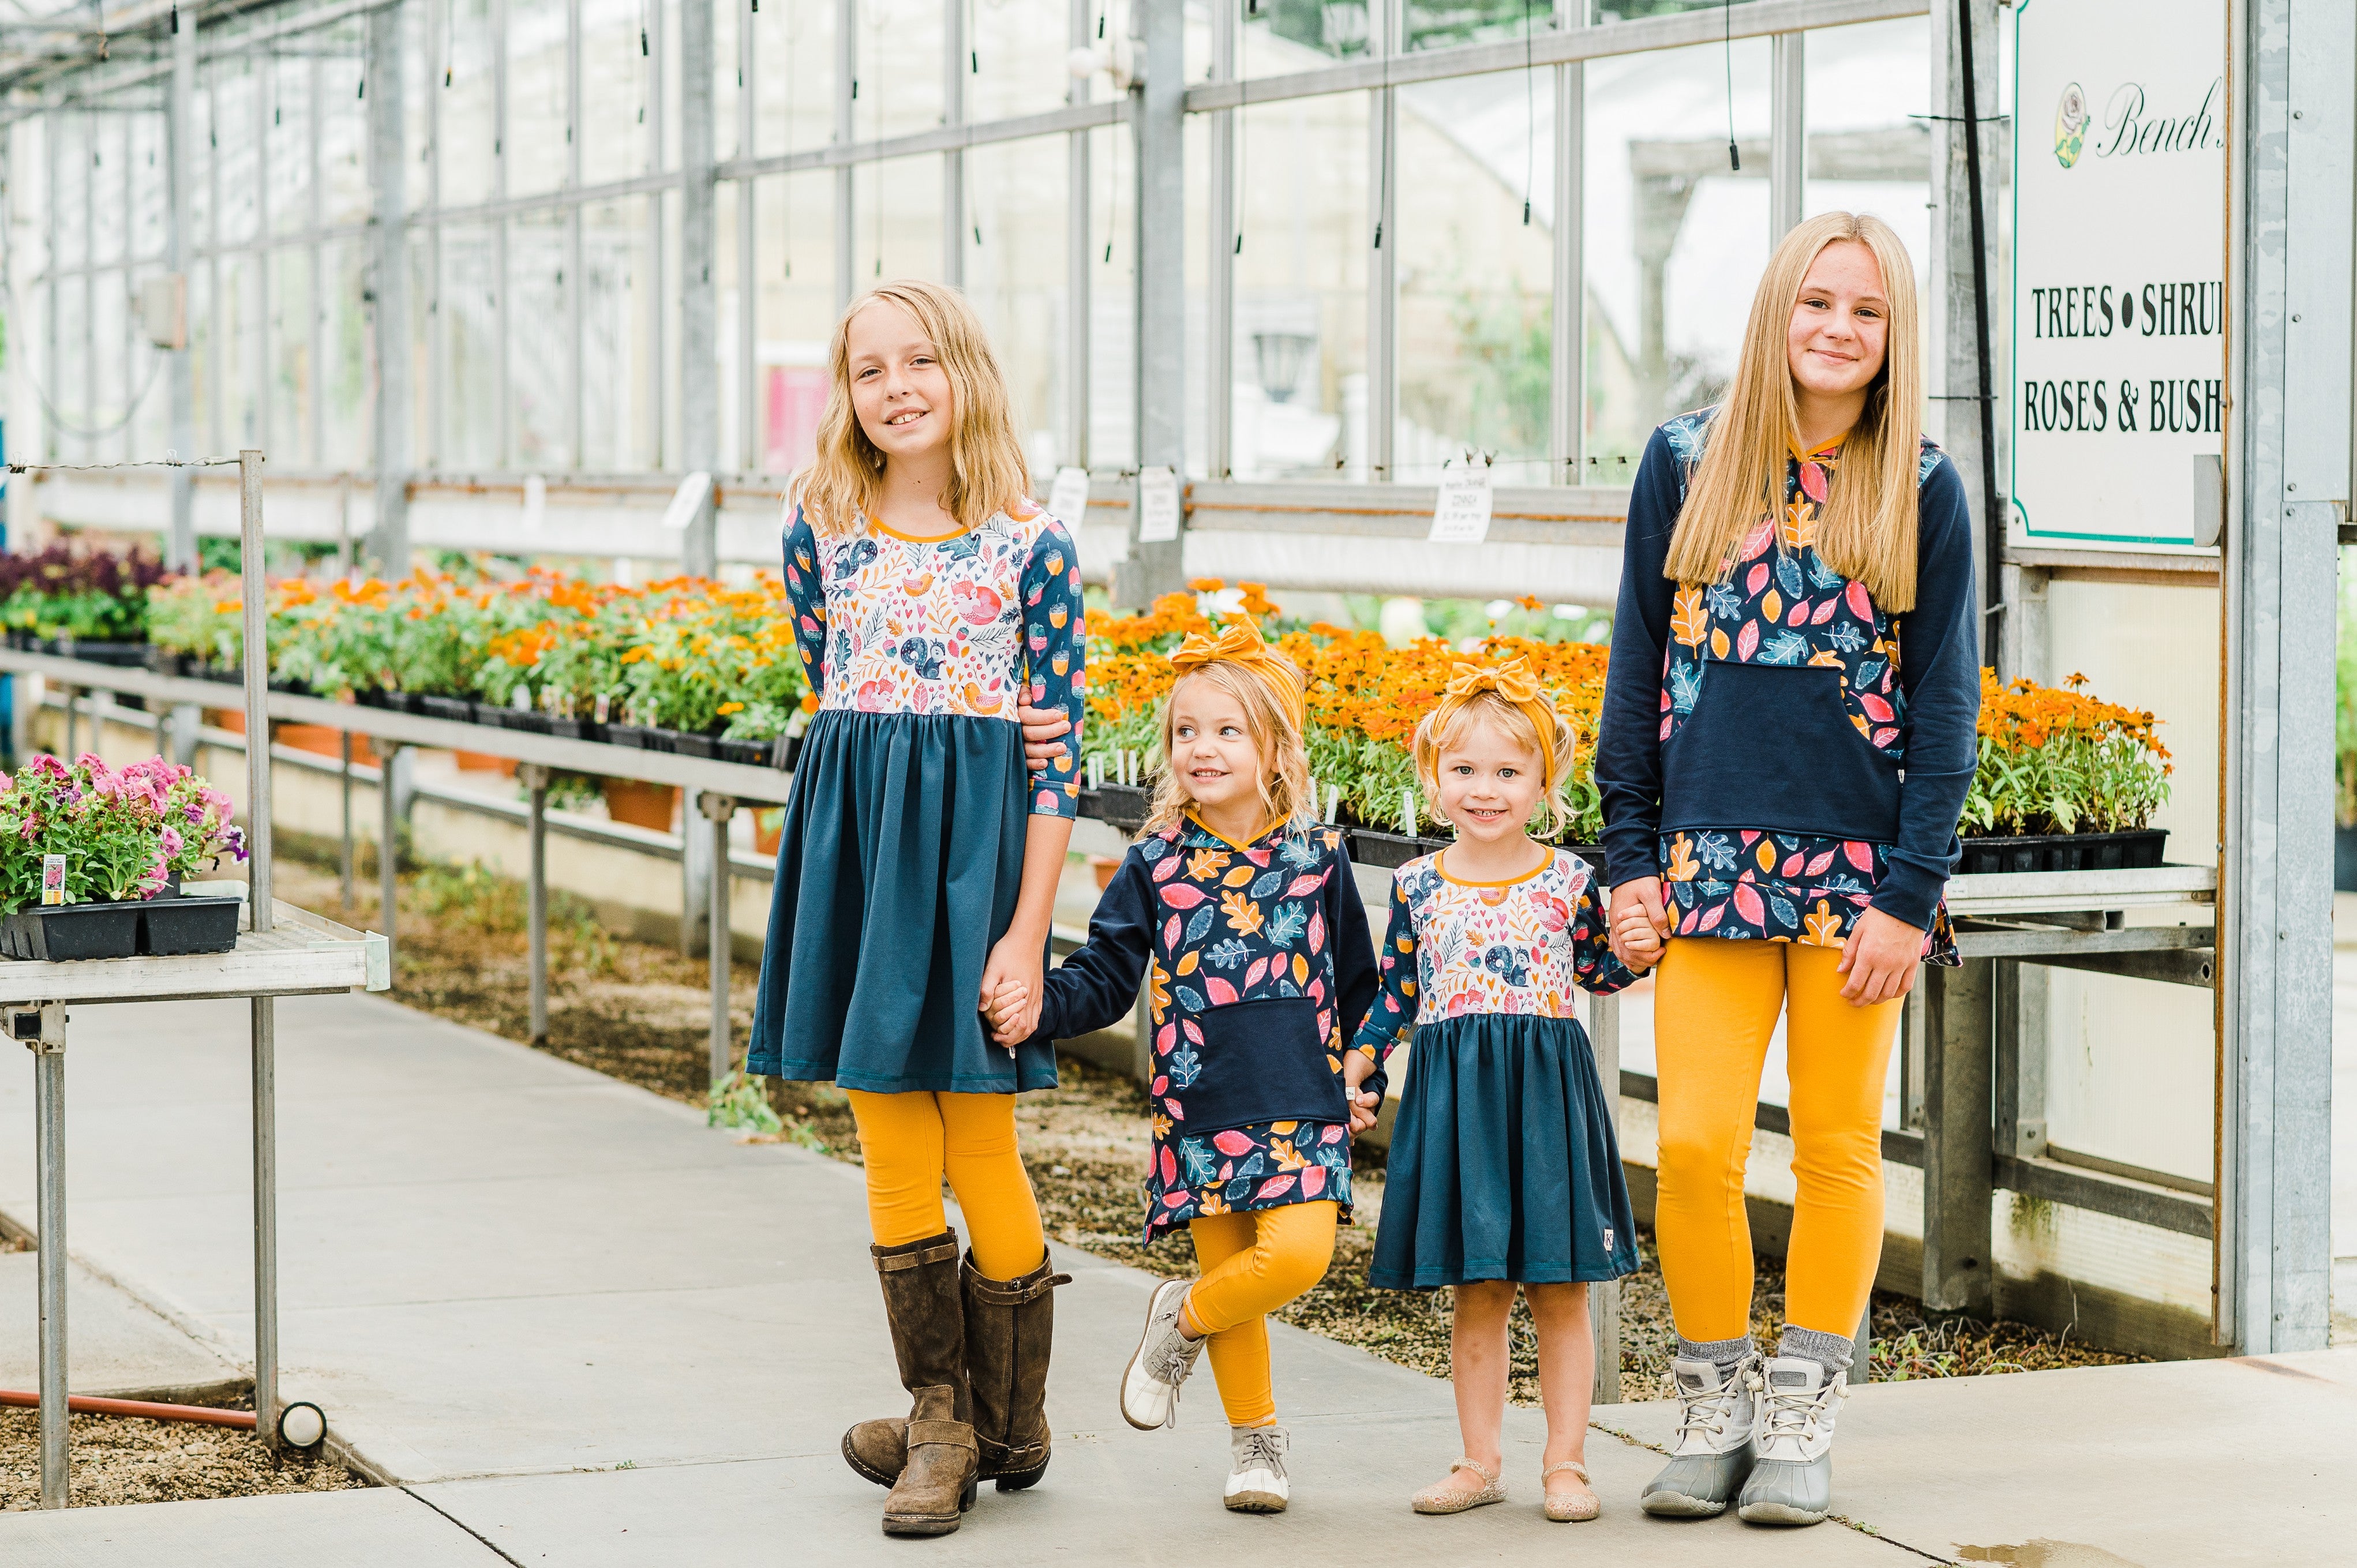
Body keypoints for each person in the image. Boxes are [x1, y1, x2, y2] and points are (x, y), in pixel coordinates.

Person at [1594, 211, 1979, 1527]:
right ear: (1778, 312)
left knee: (1835, 1147)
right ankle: (1712, 1401)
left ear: (1893, 337)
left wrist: (1909, 900)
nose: (1839, 328)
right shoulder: (1686, 462)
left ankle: (1804, 1411)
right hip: (1704, 869)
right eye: (1819, 302)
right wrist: (1627, 855)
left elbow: (1943, 714)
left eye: (1868, 312)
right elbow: (1635, 668)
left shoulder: (1919, 484)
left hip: (1855, 886)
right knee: (1695, 1146)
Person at [748, 279, 1087, 1539]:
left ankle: (1007, 1417)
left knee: (979, 1135)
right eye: (868, 370)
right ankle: (952, 1418)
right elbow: (832, 700)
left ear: (967, 374)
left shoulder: (1029, 543)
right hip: (862, 857)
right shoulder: (819, 527)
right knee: (889, 1126)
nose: (896, 388)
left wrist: (1023, 933)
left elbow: (1058, 760)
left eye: (920, 361)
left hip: (976, 871)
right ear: (845, 396)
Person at [992, 618, 1379, 1516]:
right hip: (1201, 1103)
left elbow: (1360, 987)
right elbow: (1105, 975)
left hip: (1304, 1099)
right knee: (1237, 1266)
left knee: (1298, 1254)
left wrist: (1365, 1077)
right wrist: (1036, 1005)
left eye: (1227, 730)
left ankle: (1181, 1317)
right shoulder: (1155, 863)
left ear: (1276, 746)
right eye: (1185, 732)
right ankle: (1257, 1447)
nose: (1202, 748)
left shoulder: (1319, 858)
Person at [1346, 659, 1646, 1525]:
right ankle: (1478, 1459)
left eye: (1508, 771)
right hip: (1457, 1108)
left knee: (1559, 1287)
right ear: (1432, 779)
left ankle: (1566, 1461)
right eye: (1465, 770)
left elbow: (1601, 970)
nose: (1485, 789)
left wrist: (1636, 946)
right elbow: (1396, 996)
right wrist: (1357, 1063)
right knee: (1477, 1288)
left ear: (1545, 783)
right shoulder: (1417, 885)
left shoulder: (1567, 881)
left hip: (1547, 1103)